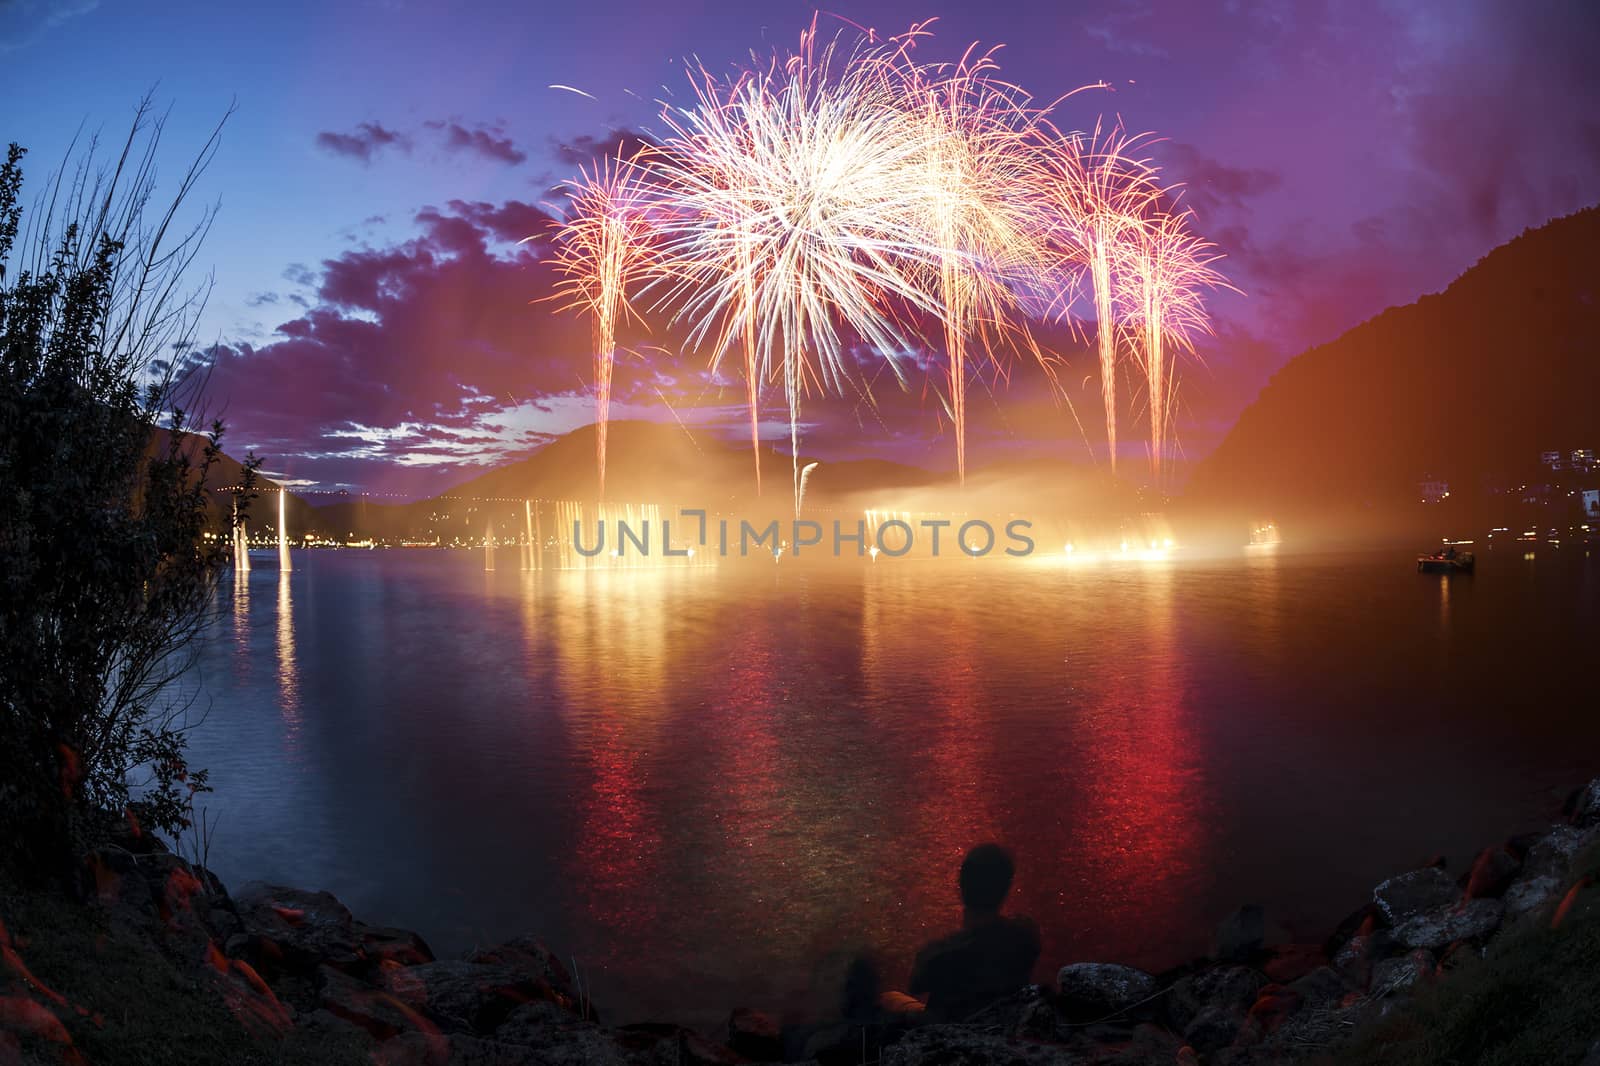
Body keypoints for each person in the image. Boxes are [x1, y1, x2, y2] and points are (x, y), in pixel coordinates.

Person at [904, 843, 1041, 1021]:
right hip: (999, 1024)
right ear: (1006, 887)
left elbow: (914, 985)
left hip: (950, 1029)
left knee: (891, 998)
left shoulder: (941, 954)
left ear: (961, 884)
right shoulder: (1025, 936)